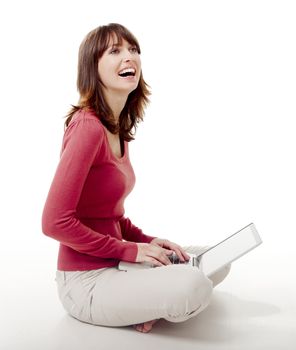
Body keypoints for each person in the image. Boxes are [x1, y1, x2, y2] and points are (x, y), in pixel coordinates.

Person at [41, 23, 231, 333]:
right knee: (194, 284)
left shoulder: (116, 127)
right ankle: (150, 303)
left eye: (133, 50)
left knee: (213, 260)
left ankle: (148, 302)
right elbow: (54, 222)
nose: (129, 57)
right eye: (115, 51)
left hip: (118, 264)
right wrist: (132, 251)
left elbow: (110, 216)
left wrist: (147, 241)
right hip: (85, 282)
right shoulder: (87, 128)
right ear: (93, 67)